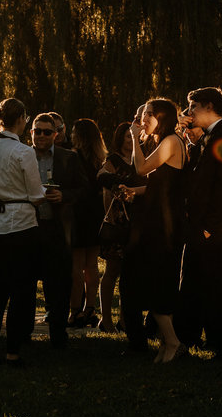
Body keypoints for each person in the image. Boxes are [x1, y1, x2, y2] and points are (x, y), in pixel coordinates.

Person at [175, 86, 222, 360]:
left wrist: (209, 227)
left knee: (212, 282)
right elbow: (196, 176)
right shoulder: (206, 138)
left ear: (208, 106)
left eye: (192, 107)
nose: (188, 113)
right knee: (191, 279)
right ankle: (187, 337)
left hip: (211, 226)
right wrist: (186, 141)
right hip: (198, 222)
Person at [0, 98, 46, 366]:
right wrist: (46, 193)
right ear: (21, 120)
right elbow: (34, 193)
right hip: (20, 224)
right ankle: (13, 351)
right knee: (22, 289)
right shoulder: (23, 152)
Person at [124, 98, 188, 363]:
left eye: (150, 114)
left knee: (157, 282)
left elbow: (141, 169)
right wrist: (134, 191)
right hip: (159, 220)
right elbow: (160, 186)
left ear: (162, 117)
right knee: (156, 280)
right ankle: (166, 342)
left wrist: (133, 138)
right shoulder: (165, 141)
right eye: (144, 113)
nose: (143, 119)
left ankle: (172, 342)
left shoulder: (172, 141)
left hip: (165, 225)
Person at [30, 112, 84, 348]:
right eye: (37, 131)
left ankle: (58, 336)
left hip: (56, 227)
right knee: (25, 282)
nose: (41, 136)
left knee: (59, 283)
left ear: (56, 134)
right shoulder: (22, 155)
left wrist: (65, 195)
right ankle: (22, 334)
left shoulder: (68, 158)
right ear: (30, 132)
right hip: (28, 227)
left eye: (46, 132)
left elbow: (84, 188)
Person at [95, 121, 145, 333]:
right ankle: (105, 319)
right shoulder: (114, 159)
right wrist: (118, 185)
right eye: (126, 137)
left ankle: (126, 319)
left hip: (138, 220)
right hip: (118, 219)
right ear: (120, 139)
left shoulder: (142, 160)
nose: (129, 140)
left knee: (131, 273)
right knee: (112, 270)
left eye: (131, 136)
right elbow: (101, 179)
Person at [68, 118, 106, 328]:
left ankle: (75, 311)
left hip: (78, 213)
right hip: (96, 213)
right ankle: (90, 308)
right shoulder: (100, 159)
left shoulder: (73, 157)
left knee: (76, 266)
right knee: (91, 265)